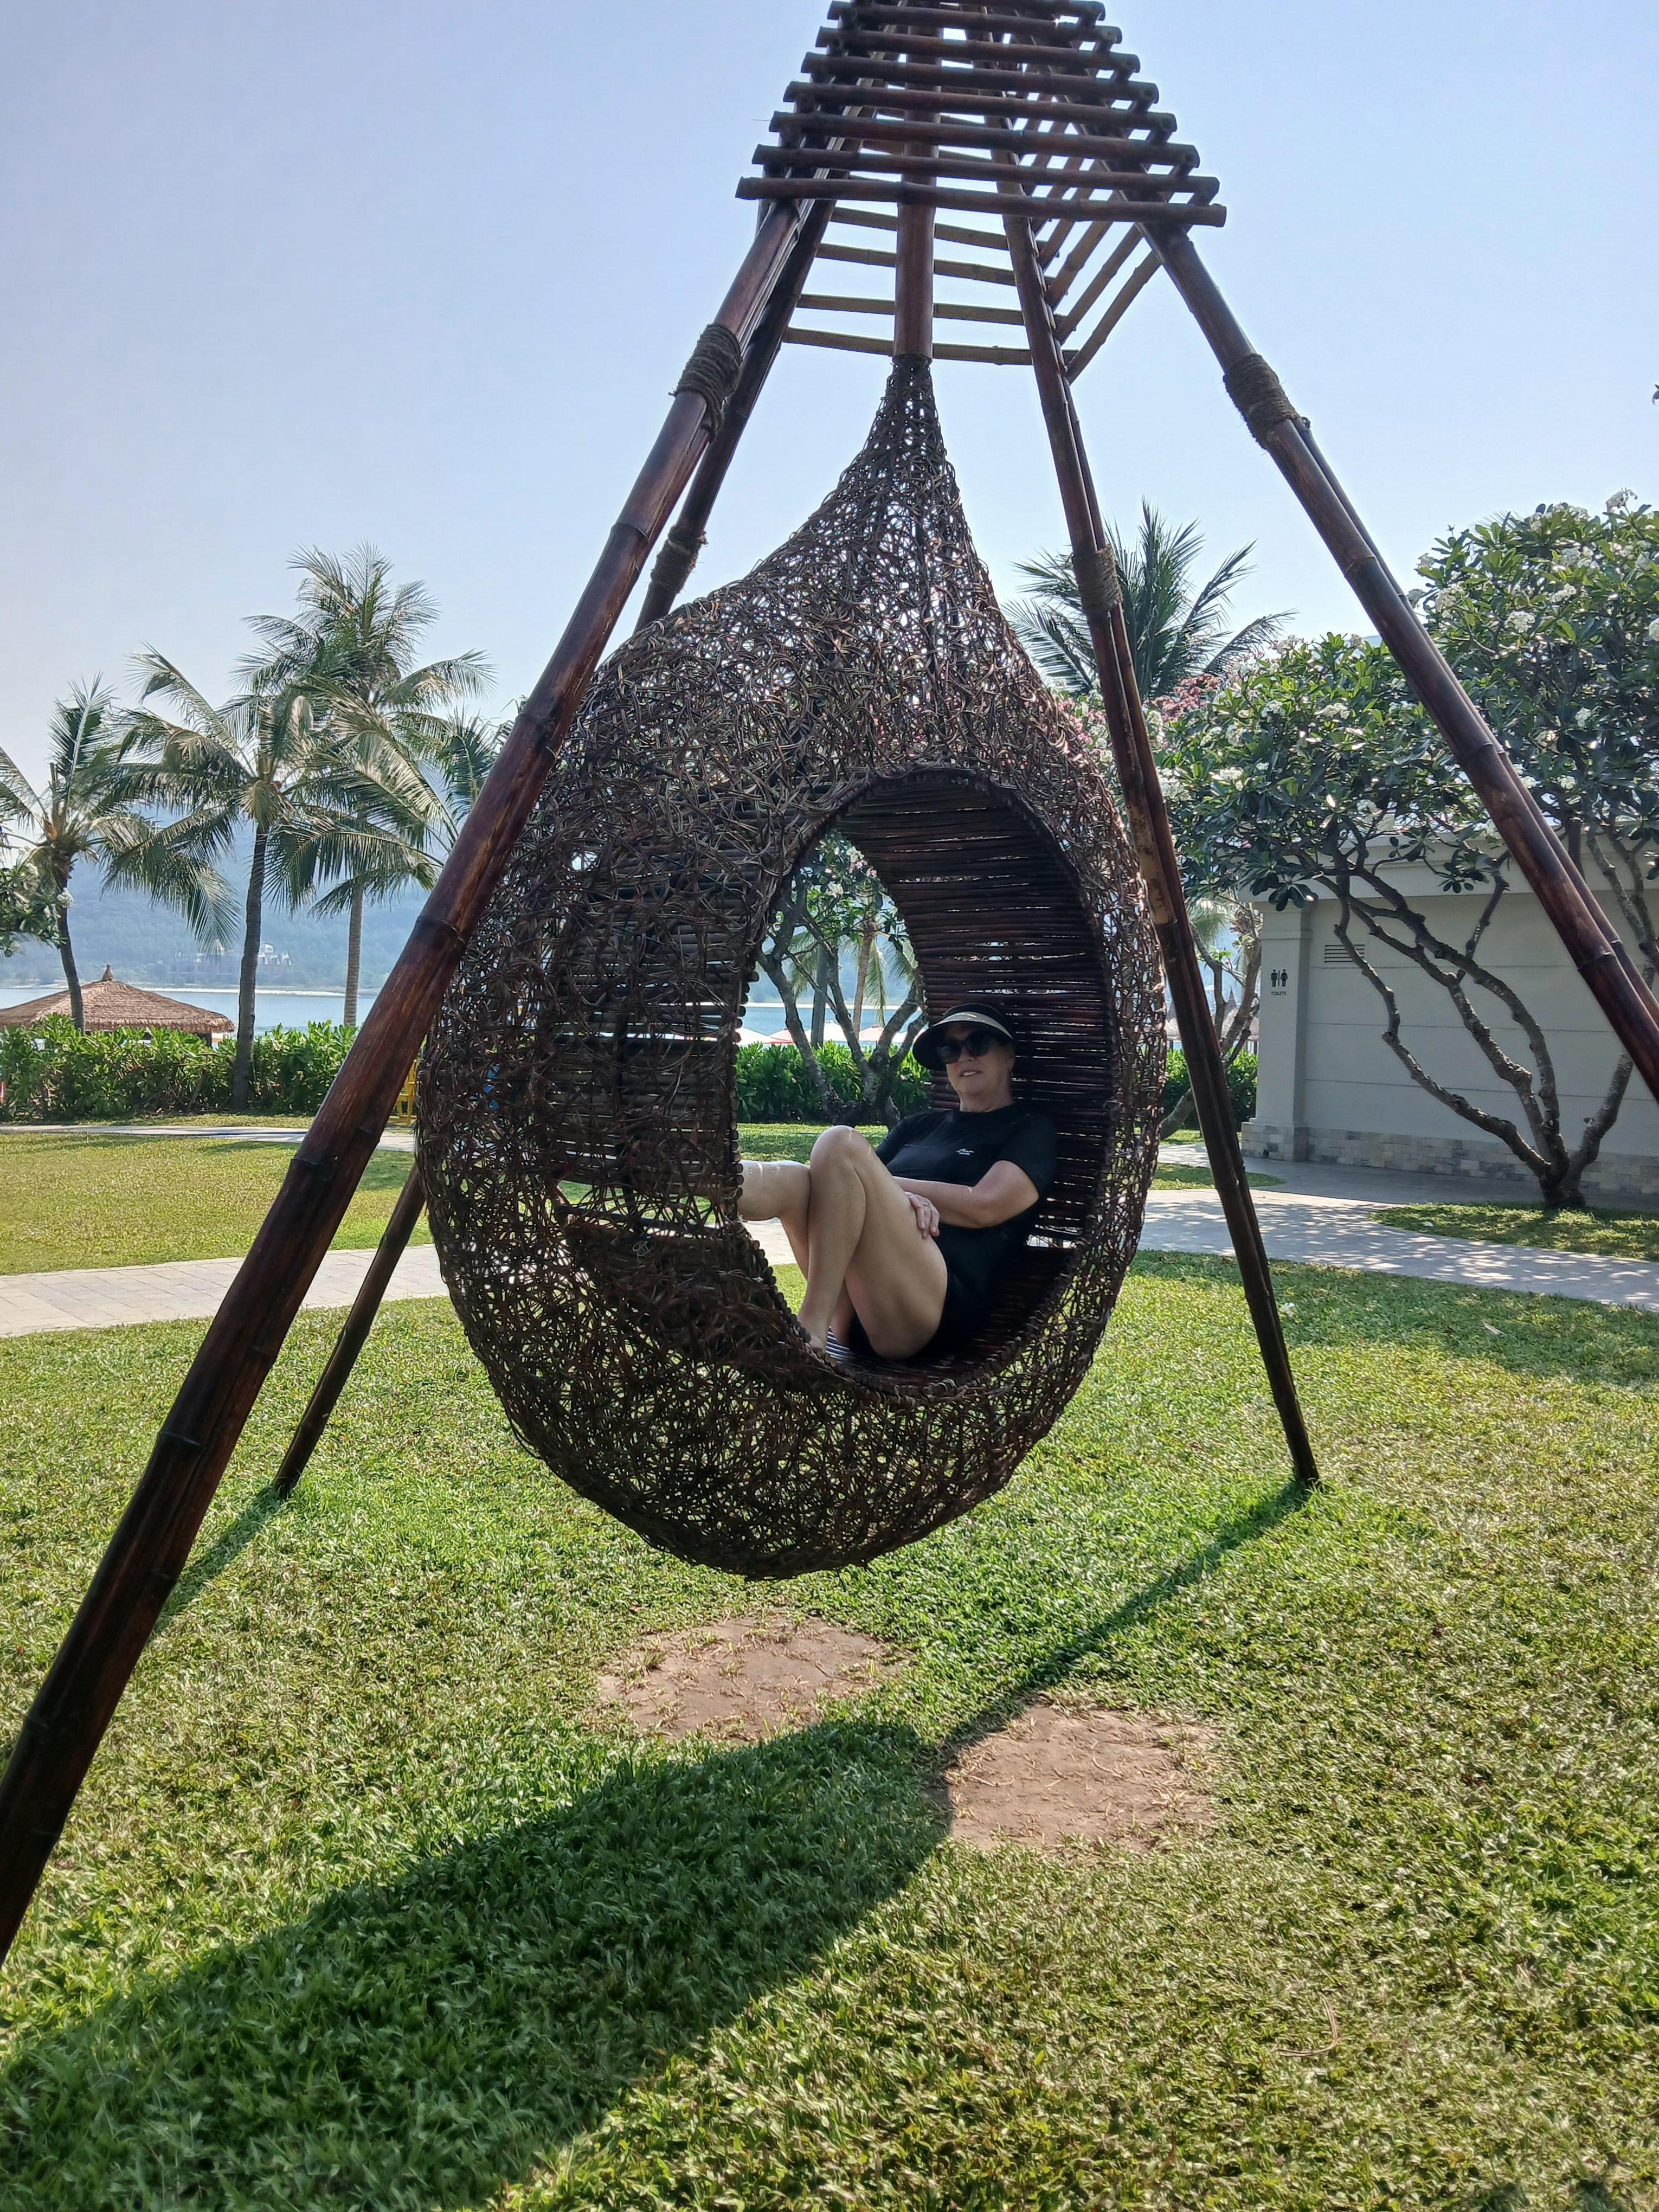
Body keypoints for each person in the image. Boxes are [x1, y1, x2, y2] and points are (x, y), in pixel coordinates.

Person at [738, 1004, 1057, 1361]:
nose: (964, 1056)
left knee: (839, 1142)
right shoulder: (919, 1127)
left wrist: (896, 1191)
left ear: (1010, 1055)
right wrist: (891, 1195)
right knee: (797, 1180)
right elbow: (842, 1187)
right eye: (950, 1050)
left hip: (930, 1315)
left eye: (979, 1043)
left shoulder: (1030, 1129)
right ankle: (699, 1175)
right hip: (859, 1307)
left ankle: (811, 1324)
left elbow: (985, 1205)